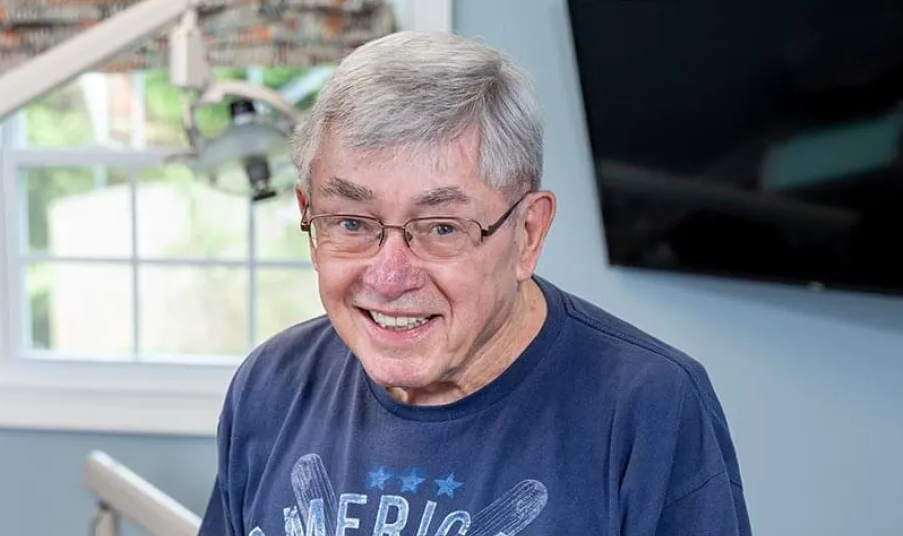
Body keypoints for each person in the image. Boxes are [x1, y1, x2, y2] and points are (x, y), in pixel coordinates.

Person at [198, 30, 751, 536]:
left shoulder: (648, 406)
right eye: (351, 223)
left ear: (528, 234)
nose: (390, 277)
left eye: (442, 227)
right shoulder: (271, 385)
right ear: (307, 212)